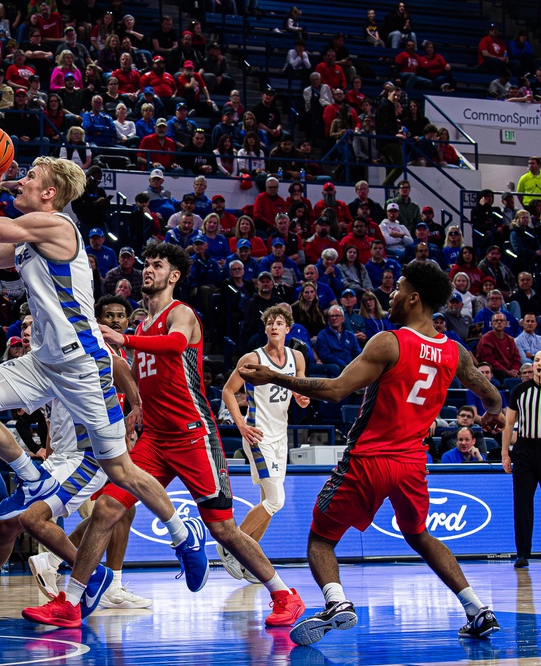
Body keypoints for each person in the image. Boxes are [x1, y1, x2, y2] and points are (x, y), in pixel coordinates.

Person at [0, 141, 208, 618]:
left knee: (119, 470)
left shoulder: (57, 226)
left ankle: (180, 531)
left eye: (28, 177)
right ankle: (31, 478)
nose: (19, 180)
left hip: (82, 362)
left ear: (49, 193)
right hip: (44, 361)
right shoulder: (29, 236)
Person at [21, 242, 305, 627]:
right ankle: (71, 601)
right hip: (154, 439)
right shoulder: (141, 326)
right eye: (146, 263)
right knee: (107, 509)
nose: (148, 270)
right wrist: (136, 403)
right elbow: (143, 377)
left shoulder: (181, 314)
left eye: (157, 265)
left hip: (193, 436)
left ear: (173, 276)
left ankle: (284, 594)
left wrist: (124, 341)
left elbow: (173, 347)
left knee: (221, 528)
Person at [239, 261, 504, 645]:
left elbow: (334, 390)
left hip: (369, 459)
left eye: (397, 289)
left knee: (321, 540)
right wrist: (492, 417)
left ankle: (337, 602)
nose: (391, 295)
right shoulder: (456, 352)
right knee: (419, 535)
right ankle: (477, 609)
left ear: (414, 298)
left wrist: (275, 376)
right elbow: (492, 396)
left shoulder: (390, 342)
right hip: (413, 464)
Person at [220, 306, 309, 580]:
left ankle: (250, 561)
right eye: (270, 322)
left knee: (267, 504)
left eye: (279, 323)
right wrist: (241, 425)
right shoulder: (252, 357)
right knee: (275, 500)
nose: (274, 326)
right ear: (265, 329)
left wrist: (303, 398)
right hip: (258, 436)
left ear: (287, 329)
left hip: (281, 436)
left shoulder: (297, 357)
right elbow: (227, 391)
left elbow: (300, 392)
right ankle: (231, 546)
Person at [502, 351, 541, 568]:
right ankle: (522, 553)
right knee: (523, 503)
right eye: (536, 360)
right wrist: (505, 453)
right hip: (525, 449)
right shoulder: (519, 390)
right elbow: (508, 424)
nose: (539, 364)